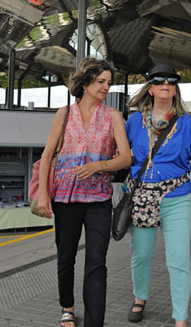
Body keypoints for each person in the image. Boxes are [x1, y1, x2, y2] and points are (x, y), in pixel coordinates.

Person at [125, 63, 191, 327]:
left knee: (179, 258)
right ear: (150, 88)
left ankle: (179, 317)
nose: (166, 84)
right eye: (159, 81)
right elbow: (121, 155)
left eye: (171, 81)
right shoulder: (135, 120)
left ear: (175, 89)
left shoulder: (186, 123)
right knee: (142, 254)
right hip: (143, 197)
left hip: (176, 196)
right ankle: (140, 297)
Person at [36, 57, 131, 327]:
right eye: (101, 81)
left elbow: (125, 158)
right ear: (86, 82)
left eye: (109, 83)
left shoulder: (113, 116)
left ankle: (94, 323)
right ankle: (67, 305)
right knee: (66, 259)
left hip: (98, 201)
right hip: (65, 200)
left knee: (96, 263)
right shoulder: (63, 114)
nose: (106, 87)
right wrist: (44, 195)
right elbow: (46, 157)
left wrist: (100, 165)